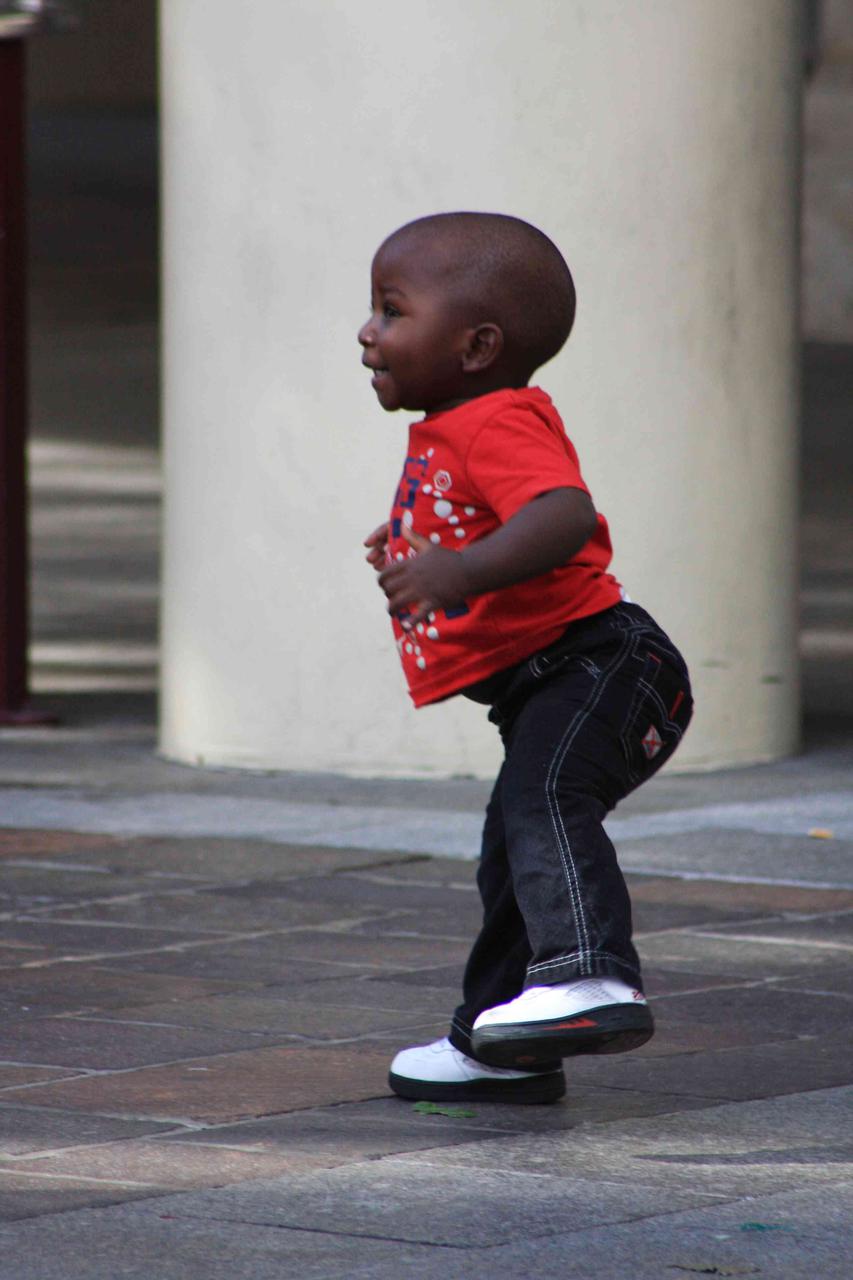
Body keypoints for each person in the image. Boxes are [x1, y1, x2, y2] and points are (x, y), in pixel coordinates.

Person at [360, 212, 693, 1105]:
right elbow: (490, 516)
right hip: (558, 681)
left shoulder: (497, 420)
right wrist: (420, 543)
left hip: (602, 666)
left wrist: (458, 569)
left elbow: (562, 515)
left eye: (391, 310)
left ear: (476, 346)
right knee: (513, 851)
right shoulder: (456, 429)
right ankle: (500, 1046)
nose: (366, 331)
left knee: (544, 801)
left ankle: (588, 975)